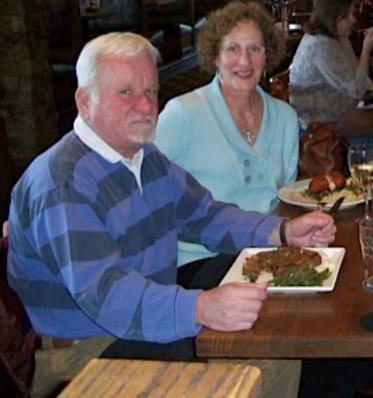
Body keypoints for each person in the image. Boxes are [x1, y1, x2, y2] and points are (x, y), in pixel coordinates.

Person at [6, 33, 336, 366]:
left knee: (277, 332)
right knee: (264, 354)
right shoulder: (63, 182)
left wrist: (282, 232)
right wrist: (201, 308)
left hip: (144, 321)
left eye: (151, 91)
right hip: (88, 348)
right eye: (126, 92)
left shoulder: (143, 157)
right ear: (84, 101)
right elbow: (107, 294)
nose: (146, 105)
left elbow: (203, 215)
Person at [156, 1, 299, 284]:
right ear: (215, 56)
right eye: (233, 49)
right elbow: (149, 196)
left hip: (269, 252)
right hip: (200, 261)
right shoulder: (183, 114)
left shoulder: (286, 117)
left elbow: (287, 199)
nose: (244, 61)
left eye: (254, 49)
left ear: (267, 55)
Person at [288, 0, 373, 127]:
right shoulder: (321, 46)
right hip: (321, 128)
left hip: (345, 114)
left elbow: (356, 78)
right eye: (346, 16)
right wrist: (366, 49)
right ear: (331, 17)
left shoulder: (338, 38)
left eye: (352, 13)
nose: (353, 20)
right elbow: (357, 90)